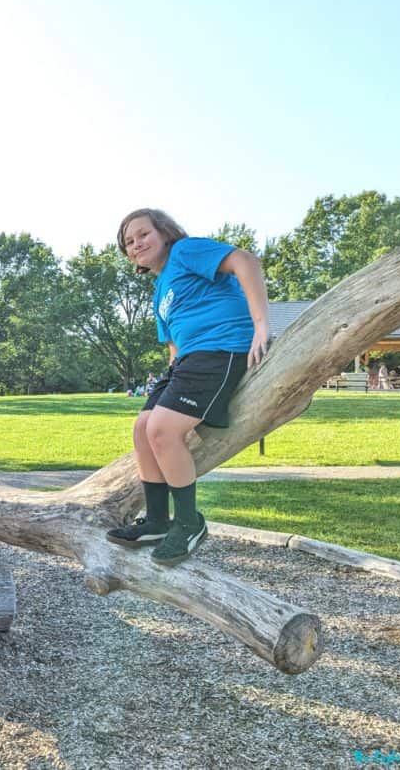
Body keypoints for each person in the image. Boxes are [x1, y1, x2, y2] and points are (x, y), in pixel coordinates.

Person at [105, 208, 269, 565]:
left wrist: (260, 325)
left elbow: (245, 261)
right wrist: (171, 378)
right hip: (188, 360)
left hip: (220, 348)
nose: (136, 245)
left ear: (164, 232)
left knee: (163, 431)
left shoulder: (186, 251)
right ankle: (158, 521)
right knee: (142, 428)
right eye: (129, 243)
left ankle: (189, 523)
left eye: (143, 235)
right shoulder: (160, 288)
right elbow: (173, 344)